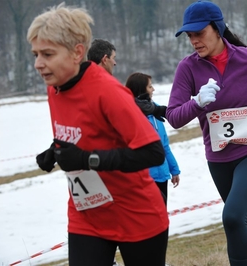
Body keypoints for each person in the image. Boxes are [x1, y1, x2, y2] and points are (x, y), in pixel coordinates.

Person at [27, 3, 169, 266]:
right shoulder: (54, 87)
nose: (38, 64)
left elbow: (153, 152)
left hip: (135, 214)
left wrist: (87, 159)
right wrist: (55, 150)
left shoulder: (109, 92)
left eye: (47, 54)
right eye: (35, 54)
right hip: (87, 215)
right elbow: (83, 129)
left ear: (76, 52)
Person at [167, 1, 247, 265]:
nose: (194, 40)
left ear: (217, 28)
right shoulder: (188, 68)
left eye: (199, 33)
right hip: (219, 161)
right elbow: (173, 117)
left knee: (232, 216)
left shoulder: (246, 57)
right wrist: (197, 103)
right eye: (189, 35)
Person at [125, 72, 180, 204]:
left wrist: (174, 170)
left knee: (162, 219)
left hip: (162, 175)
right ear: (140, 89)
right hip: (143, 180)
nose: (153, 89)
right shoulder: (129, 115)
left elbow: (164, 145)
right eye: (150, 87)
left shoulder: (155, 110)